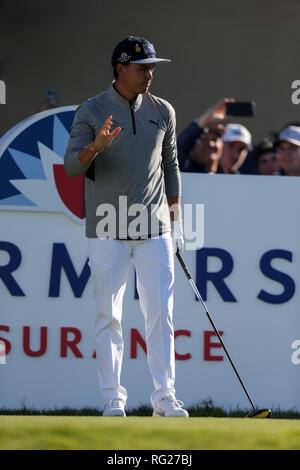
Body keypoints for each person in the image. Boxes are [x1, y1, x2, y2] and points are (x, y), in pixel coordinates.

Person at [64, 36, 189, 418]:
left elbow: (171, 166)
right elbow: (72, 166)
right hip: (106, 229)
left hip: (154, 230)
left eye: (152, 67)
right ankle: (112, 398)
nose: (149, 74)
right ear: (120, 69)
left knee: (161, 316)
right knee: (109, 316)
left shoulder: (163, 110)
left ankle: (164, 397)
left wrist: (176, 221)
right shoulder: (92, 110)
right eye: (142, 68)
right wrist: (96, 146)